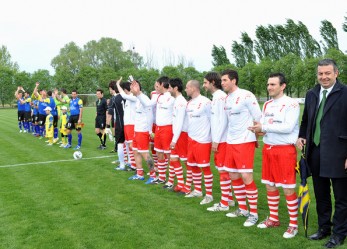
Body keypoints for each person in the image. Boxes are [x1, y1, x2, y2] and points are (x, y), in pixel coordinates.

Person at [296, 59, 347, 248]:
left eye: (327, 73)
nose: (323, 77)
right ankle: (325, 228)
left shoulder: (345, 93)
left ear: (336, 73)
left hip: (339, 153)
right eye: (320, 74)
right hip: (315, 152)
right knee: (321, 194)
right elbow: (306, 120)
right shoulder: (311, 94)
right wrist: (301, 136)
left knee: (342, 197)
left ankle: (339, 233)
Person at [249, 73, 300, 238]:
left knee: (288, 188)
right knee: (270, 185)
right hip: (268, 148)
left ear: (283, 86)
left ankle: (293, 224)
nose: (269, 87)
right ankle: (273, 218)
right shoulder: (267, 104)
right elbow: (266, 127)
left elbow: (287, 127)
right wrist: (259, 129)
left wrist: (264, 126)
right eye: (268, 84)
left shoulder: (291, 104)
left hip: (285, 150)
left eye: (273, 84)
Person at [221, 69, 261, 227]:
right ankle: (243, 209)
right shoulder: (227, 99)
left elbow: (258, 117)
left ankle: (254, 214)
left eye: (224, 80)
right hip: (231, 141)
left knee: (246, 176)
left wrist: (255, 135)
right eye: (221, 81)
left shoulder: (246, 95)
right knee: (233, 175)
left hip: (245, 140)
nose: (222, 83)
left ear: (233, 81)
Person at [203, 72, 235, 211]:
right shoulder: (216, 97)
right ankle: (228, 199)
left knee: (223, 171)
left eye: (205, 82)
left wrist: (216, 140)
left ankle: (224, 204)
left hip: (222, 140)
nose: (204, 85)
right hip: (218, 139)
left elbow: (223, 120)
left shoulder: (221, 97)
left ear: (212, 83)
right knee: (223, 170)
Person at [184, 80, 213, 205]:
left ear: (193, 88)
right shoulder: (189, 103)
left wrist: (211, 138)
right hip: (191, 139)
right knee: (193, 165)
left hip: (203, 139)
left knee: (204, 167)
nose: (185, 90)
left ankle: (209, 195)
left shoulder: (206, 102)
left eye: (187, 88)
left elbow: (213, 120)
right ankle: (197, 190)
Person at [127, 79, 154, 181]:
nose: (130, 90)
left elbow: (150, 114)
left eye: (131, 88)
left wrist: (150, 130)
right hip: (136, 130)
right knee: (135, 152)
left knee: (145, 154)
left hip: (143, 131)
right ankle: (140, 174)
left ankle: (152, 175)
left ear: (137, 87)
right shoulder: (137, 98)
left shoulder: (144, 98)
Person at [168, 78, 191, 194]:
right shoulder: (176, 100)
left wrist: (174, 139)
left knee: (186, 161)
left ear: (175, 88)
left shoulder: (181, 102)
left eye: (170, 88)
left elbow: (180, 122)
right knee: (173, 158)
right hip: (176, 134)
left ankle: (188, 186)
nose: (168, 90)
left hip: (182, 134)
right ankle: (181, 183)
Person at [116, 79, 137, 171]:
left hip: (132, 125)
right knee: (128, 145)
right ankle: (131, 163)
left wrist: (117, 84)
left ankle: (134, 165)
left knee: (132, 146)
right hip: (127, 125)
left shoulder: (133, 97)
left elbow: (123, 95)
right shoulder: (129, 98)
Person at [105, 80, 126, 170]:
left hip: (120, 123)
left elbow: (109, 114)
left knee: (120, 144)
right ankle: (129, 162)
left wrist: (107, 126)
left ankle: (122, 164)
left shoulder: (114, 99)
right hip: (129, 123)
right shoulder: (126, 96)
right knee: (128, 144)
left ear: (112, 88)